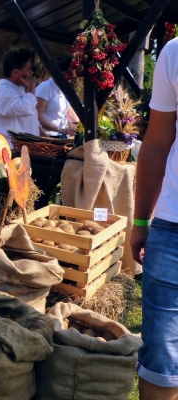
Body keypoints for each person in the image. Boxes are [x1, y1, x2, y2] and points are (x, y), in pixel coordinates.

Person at [131, 37, 178, 400]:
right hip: (172, 229)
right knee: (160, 362)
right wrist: (142, 221)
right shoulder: (174, 53)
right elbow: (158, 142)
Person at [0, 48, 40, 148]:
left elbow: (31, 119)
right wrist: (31, 86)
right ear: (15, 73)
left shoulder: (19, 89)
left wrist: (45, 137)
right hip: (12, 151)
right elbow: (27, 109)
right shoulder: (3, 92)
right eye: (28, 69)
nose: (31, 73)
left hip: (27, 149)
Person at [35, 57, 77, 138]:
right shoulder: (45, 88)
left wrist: (81, 128)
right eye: (70, 76)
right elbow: (36, 116)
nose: (71, 80)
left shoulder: (64, 90)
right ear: (63, 73)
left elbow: (70, 114)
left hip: (60, 136)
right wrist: (59, 130)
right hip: (45, 137)